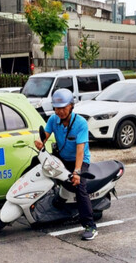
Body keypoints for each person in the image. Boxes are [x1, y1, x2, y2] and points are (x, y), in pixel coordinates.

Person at [34, 88, 98, 240]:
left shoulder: (81, 123)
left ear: (71, 106)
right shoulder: (53, 120)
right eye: (57, 108)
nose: (60, 111)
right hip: (62, 158)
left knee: (79, 187)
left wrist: (77, 172)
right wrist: (40, 142)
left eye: (63, 107)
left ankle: (90, 225)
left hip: (79, 161)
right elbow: (46, 135)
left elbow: (80, 150)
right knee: (37, 167)